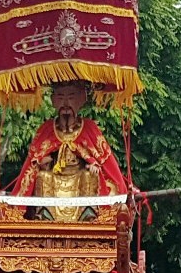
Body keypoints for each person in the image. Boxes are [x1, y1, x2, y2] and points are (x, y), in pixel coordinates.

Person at [11, 81, 128, 221]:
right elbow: (34, 161)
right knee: (43, 177)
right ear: (54, 100)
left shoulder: (89, 128)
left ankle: (88, 216)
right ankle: (45, 216)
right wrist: (43, 162)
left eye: (71, 97)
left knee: (88, 176)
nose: (66, 103)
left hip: (79, 177)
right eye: (60, 97)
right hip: (55, 176)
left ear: (81, 99)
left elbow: (102, 160)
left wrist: (91, 164)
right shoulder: (47, 129)